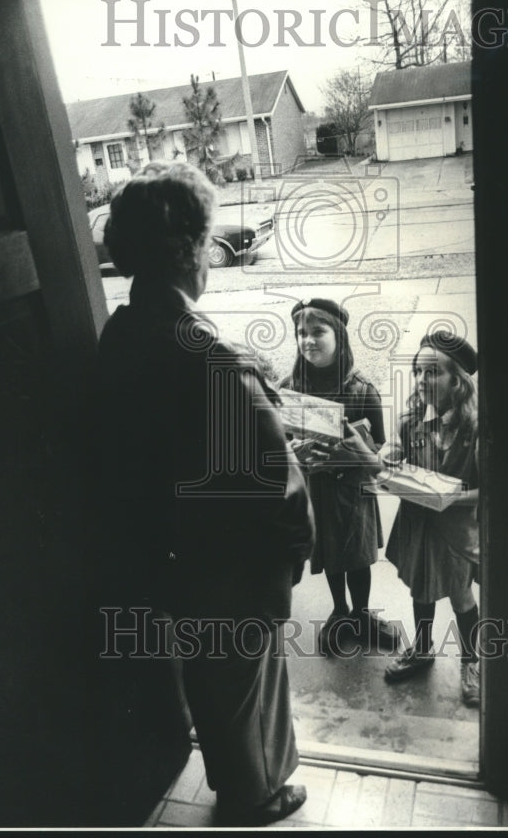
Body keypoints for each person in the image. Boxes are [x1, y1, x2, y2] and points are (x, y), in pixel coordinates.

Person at [95, 161, 315, 826]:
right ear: (192, 250)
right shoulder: (206, 351)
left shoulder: (123, 333)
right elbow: (272, 475)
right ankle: (256, 796)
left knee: (209, 674)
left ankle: (230, 777)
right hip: (231, 555)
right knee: (246, 683)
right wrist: (298, 541)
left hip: (167, 548)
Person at [279, 297, 399, 654]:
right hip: (316, 490)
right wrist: (293, 451)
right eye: (301, 333)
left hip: (354, 491)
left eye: (318, 331)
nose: (308, 340)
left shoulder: (362, 390)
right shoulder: (289, 388)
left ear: (339, 336)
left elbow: (379, 449)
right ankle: (340, 611)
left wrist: (354, 451)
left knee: (358, 556)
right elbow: (278, 444)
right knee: (330, 553)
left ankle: (361, 614)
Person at [383, 331, 480, 708]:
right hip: (417, 527)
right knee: (420, 589)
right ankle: (422, 649)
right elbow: (393, 451)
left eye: (432, 373)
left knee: (460, 594)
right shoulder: (411, 419)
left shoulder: (475, 428)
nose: (422, 382)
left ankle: (472, 661)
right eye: (418, 373)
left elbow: (489, 492)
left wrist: (449, 496)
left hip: (455, 531)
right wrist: (387, 458)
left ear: (456, 379)